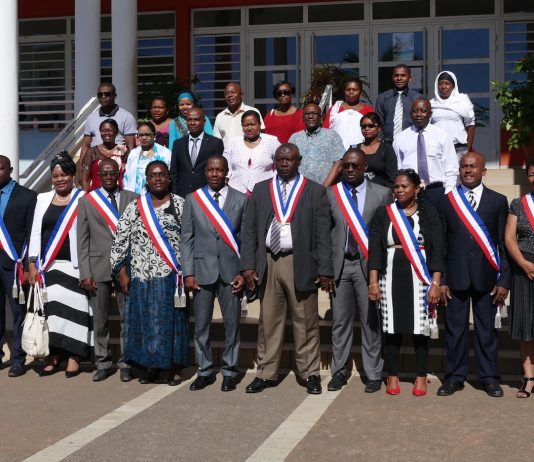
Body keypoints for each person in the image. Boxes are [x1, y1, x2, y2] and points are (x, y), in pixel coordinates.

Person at [240, 143, 334, 394]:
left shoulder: (315, 191)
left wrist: (325, 268)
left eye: (289, 159)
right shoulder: (262, 189)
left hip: (300, 262)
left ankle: (310, 373)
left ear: (299, 160)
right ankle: (265, 373)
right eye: (280, 159)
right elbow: (249, 230)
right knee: (268, 322)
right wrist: (248, 265)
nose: (284, 164)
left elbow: (323, 234)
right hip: (268, 261)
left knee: (305, 321)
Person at [437, 152, 510, 398]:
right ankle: (454, 377)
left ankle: (489, 378)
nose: (468, 170)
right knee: (455, 331)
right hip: (455, 277)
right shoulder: (448, 202)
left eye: (473, 166)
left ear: (483, 171)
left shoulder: (498, 201)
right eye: (464, 166)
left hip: (487, 277)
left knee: (486, 332)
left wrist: (504, 280)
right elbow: (441, 243)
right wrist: (442, 279)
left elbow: (503, 244)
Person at [111, 160, 188, 386]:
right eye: (153, 175)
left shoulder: (180, 204)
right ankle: (151, 367)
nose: (157, 179)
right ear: (147, 179)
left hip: (171, 277)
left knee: (172, 324)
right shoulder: (135, 206)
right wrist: (121, 272)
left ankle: (174, 368)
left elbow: (190, 239)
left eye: (161, 174)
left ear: (169, 178)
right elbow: (120, 240)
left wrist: (189, 272)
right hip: (141, 276)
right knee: (146, 323)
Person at [368, 169, 443, 396]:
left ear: (416, 189)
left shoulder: (429, 213)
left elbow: (438, 249)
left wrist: (436, 283)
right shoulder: (384, 213)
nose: (399, 190)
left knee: (420, 328)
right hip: (390, 276)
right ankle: (392, 374)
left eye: (404, 186)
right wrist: (373, 282)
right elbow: (375, 250)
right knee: (391, 328)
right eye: (397, 186)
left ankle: (420, 375)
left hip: (420, 276)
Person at [327, 149, 392, 393]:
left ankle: (373, 373)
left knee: (370, 322)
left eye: (355, 165)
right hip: (341, 266)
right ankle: (338, 371)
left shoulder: (382, 193)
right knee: (340, 323)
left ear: (365, 167)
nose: (350, 169)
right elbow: (324, 233)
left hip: (369, 268)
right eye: (346, 166)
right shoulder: (332, 194)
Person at [181, 156, 248, 392]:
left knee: (232, 326)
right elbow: (186, 238)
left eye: (219, 170)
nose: (214, 174)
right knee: (201, 326)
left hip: (231, 272)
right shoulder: (193, 199)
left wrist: (243, 272)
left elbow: (247, 239)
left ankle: (230, 371)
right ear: (205, 172)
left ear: (227, 172)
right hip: (201, 272)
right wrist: (188, 272)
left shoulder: (241, 199)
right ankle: (205, 370)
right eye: (210, 170)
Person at [28, 152, 91, 378]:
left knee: (75, 311)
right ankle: (53, 356)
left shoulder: (84, 197)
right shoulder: (42, 199)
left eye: (64, 174)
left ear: (72, 175)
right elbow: (36, 232)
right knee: (52, 313)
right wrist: (32, 263)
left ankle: (74, 357)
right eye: (55, 176)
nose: (60, 179)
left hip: (75, 265)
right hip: (49, 266)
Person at [77, 158, 138, 382]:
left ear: (119, 173)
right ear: (98, 176)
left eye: (113, 172)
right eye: (105, 173)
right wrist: (85, 273)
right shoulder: (87, 201)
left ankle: (126, 362)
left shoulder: (133, 198)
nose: (109, 176)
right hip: (97, 266)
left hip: (127, 267)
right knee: (100, 320)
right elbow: (82, 240)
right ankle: (102, 362)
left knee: (127, 318)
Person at [0, 156, 37, 377]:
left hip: (14, 264)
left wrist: (28, 265)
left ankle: (18, 359)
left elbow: (32, 233)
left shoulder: (27, 196)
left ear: (10, 169)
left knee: (18, 312)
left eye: (1, 168)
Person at [393, 98, 458, 208]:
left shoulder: (442, 136)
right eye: (415, 111)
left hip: (436, 191)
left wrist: (448, 192)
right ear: (410, 114)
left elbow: (451, 168)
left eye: (423, 111)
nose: (419, 114)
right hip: (410, 192)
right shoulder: (400, 138)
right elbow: (398, 168)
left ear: (430, 114)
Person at [505, 158, 534, 398]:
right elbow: (509, 238)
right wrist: (524, 264)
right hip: (524, 270)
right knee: (525, 324)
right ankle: (529, 377)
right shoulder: (518, 204)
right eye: (532, 174)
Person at [323, 112, 397, 189]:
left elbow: (392, 178)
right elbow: (342, 169)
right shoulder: (354, 149)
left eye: (371, 126)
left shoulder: (386, 149)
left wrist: (387, 193)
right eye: (363, 126)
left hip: (378, 192)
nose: (367, 129)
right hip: (354, 191)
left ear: (379, 128)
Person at [170, 107, 224, 198]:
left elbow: (218, 171)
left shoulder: (215, 143)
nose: (193, 123)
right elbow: (174, 171)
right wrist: (175, 193)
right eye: (189, 120)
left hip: (206, 195)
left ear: (204, 122)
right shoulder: (178, 144)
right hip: (182, 195)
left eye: (196, 120)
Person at [81, 82, 136, 167]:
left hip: (117, 162)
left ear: (115, 96)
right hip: (95, 162)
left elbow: (130, 147)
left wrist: (128, 167)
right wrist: (82, 167)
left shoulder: (127, 117)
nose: (103, 97)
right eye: (100, 95)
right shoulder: (91, 117)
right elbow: (86, 145)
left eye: (107, 94)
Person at [224, 110, 280, 195]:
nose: (249, 128)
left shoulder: (271, 141)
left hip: (264, 191)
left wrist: (275, 181)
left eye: (253, 124)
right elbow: (226, 167)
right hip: (236, 191)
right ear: (242, 126)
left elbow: (280, 163)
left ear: (260, 125)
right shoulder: (233, 142)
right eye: (246, 125)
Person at [288, 103, 345, 185]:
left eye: (314, 113)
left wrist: (324, 188)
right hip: (300, 188)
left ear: (321, 117)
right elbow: (289, 164)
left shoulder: (332, 135)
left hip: (327, 188)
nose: (310, 116)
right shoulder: (295, 138)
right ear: (303, 118)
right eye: (307, 114)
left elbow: (339, 163)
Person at [430, 71, 476, 158]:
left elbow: (471, 127)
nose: (443, 87)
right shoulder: (431, 104)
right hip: (437, 148)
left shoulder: (462, 101)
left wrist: (467, 150)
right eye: (440, 84)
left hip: (459, 148)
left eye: (447, 83)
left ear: (454, 86)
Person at [375, 64, 421, 144]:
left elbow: (421, 122)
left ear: (409, 78)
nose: (399, 78)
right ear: (392, 78)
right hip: (387, 143)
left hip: (410, 142)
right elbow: (378, 122)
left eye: (403, 75)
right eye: (396, 75)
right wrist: (380, 141)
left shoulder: (418, 98)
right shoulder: (383, 98)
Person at [323, 78, 374, 150]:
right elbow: (325, 131)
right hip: (337, 152)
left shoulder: (368, 110)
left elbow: (373, 133)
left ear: (360, 92)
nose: (351, 92)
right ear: (344, 91)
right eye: (348, 90)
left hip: (360, 152)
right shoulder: (335, 109)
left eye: (354, 90)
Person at [123, 122, 172, 194]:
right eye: (141, 135)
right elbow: (127, 176)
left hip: (156, 195)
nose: (144, 138)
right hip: (133, 195)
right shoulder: (133, 153)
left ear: (154, 135)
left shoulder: (165, 153)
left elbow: (168, 176)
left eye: (147, 134)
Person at [81, 119, 128, 192]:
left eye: (110, 130)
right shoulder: (92, 152)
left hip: (119, 194)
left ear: (116, 132)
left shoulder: (123, 151)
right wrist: (86, 196)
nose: (106, 133)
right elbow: (85, 180)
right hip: (97, 196)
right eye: (103, 131)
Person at [213, 82, 264, 147]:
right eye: (226, 93)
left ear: (241, 94)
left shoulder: (253, 112)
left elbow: (262, 135)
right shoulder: (220, 116)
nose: (230, 95)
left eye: (233, 92)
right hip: (227, 153)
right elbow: (217, 142)